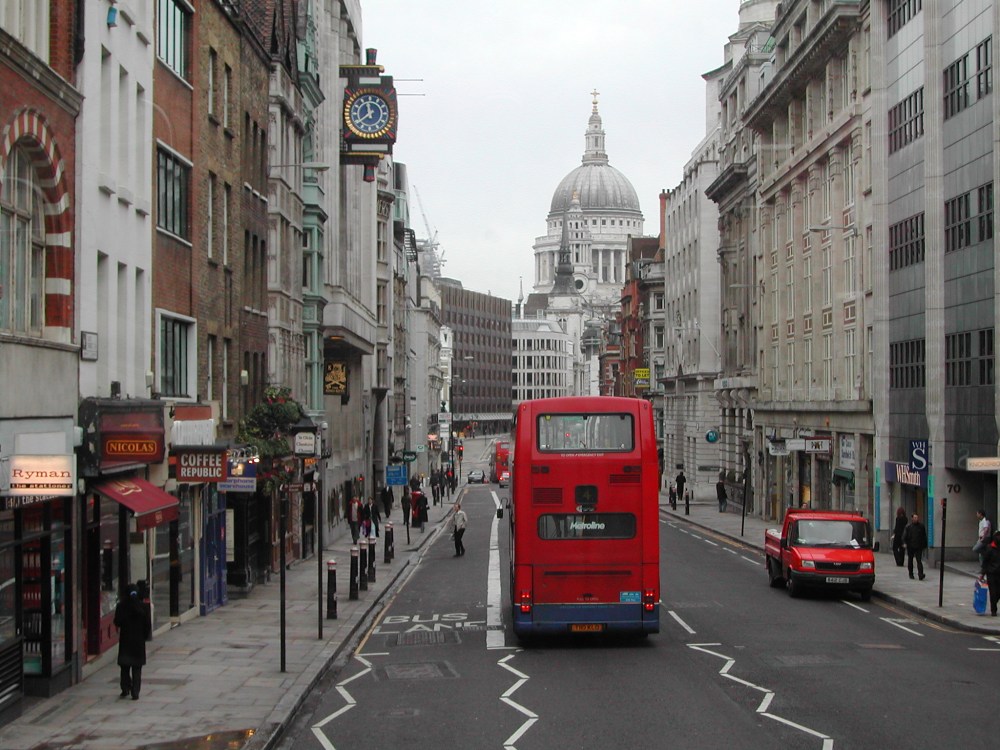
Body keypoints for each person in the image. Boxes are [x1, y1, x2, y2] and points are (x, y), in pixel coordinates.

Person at [114, 584, 152, 701]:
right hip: (138, 642)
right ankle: (135, 692)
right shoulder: (144, 607)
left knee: (125, 667)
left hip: (126, 640)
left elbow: (117, 622)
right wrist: (144, 637)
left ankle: (125, 688)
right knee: (137, 668)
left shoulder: (121, 606)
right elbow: (147, 626)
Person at [978, 530, 1000, 616]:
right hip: (991, 574)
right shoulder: (990, 548)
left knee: (998, 592)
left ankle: (994, 602)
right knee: (993, 592)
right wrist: (982, 574)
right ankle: (993, 610)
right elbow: (985, 562)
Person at [903, 512, 928, 580]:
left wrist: (924, 545)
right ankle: (911, 574)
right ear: (912, 519)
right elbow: (905, 536)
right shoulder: (908, 527)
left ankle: (921, 574)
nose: (916, 519)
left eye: (917, 518)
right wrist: (905, 543)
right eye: (914, 518)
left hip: (918, 546)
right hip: (910, 546)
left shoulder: (921, 526)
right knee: (910, 560)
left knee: (919, 560)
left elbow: (924, 536)